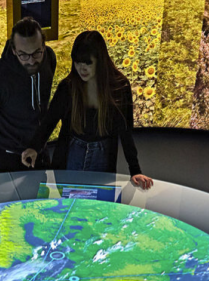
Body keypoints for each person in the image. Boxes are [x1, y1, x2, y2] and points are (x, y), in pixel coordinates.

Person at [21, 31, 154, 189]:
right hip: (71, 155)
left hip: (102, 157)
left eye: (88, 63)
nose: (81, 68)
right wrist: (34, 147)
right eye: (77, 62)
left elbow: (126, 132)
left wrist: (135, 170)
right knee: (68, 201)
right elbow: (49, 121)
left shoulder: (119, 87)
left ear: (100, 61)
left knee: (97, 202)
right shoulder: (68, 87)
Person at [0, 17, 57, 172]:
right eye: (23, 55)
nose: (31, 61)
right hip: (9, 157)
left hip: (40, 150)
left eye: (37, 53)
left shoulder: (49, 57)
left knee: (42, 188)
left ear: (44, 45)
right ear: (14, 50)